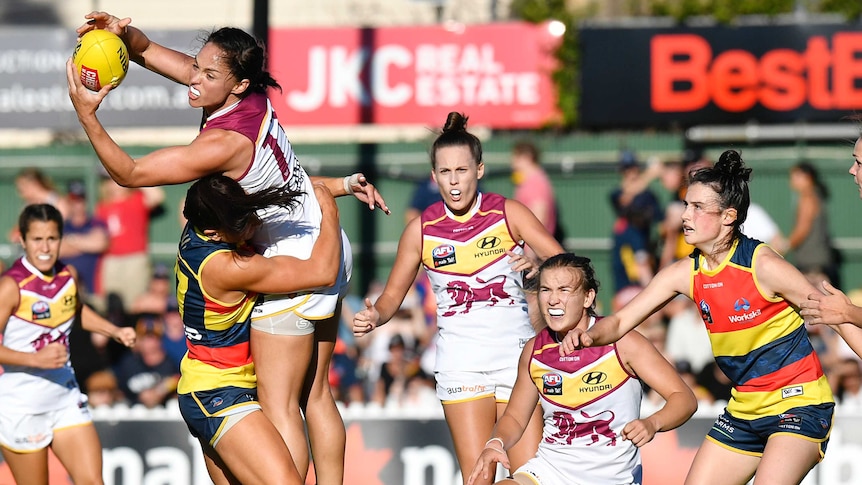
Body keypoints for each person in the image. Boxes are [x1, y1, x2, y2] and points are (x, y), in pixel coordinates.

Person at [67, 12, 389, 484]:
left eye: (208, 74)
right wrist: (122, 35)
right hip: (321, 237)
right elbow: (153, 51)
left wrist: (87, 116)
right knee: (316, 394)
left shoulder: (223, 143)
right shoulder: (246, 91)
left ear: (236, 85)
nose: (194, 79)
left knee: (279, 403)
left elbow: (130, 175)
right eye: (197, 66)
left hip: (295, 261)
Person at [561, 150, 839, 485]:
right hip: (744, 410)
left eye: (697, 207)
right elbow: (619, 322)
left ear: (728, 217)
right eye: (685, 205)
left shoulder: (763, 265)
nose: (684, 215)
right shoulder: (684, 273)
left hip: (799, 405)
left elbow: (835, 314)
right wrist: (588, 335)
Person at [353, 112, 564, 484]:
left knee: (531, 476)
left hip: (516, 361)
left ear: (479, 170)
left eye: (462, 170)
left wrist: (535, 261)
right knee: (478, 478)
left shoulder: (508, 213)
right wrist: (375, 316)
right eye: (445, 172)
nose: (454, 181)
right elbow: (390, 298)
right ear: (434, 176)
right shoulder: (421, 230)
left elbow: (564, 263)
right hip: (461, 365)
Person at [467, 254, 696, 485]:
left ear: (588, 297)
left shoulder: (624, 343)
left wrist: (652, 423)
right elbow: (515, 417)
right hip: (549, 472)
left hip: (611, 479)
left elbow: (684, 399)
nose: (553, 300)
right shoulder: (534, 350)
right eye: (546, 290)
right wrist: (495, 443)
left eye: (564, 290)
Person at [175, 174, 343, 485]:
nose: (252, 223)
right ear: (213, 233)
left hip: (212, 386)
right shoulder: (226, 267)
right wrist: (330, 213)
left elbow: (279, 192)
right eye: (240, 224)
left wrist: (342, 185)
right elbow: (324, 271)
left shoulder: (204, 218)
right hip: (219, 395)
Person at [0, 203, 136, 485]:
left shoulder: (68, 276)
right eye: (37, 239)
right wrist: (35, 359)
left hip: (64, 396)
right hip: (22, 405)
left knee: (92, 481)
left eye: (52, 238)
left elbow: (73, 310)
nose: (46, 247)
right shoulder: (10, 287)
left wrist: (114, 331)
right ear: (23, 240)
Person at [788, 161, 839, 287]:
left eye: (795, 176)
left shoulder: (808, 198)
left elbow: (803, 228)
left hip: (812, 268)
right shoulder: (815, 195)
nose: (791, 180)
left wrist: (784, 246)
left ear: (807, 177)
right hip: (817, 265)